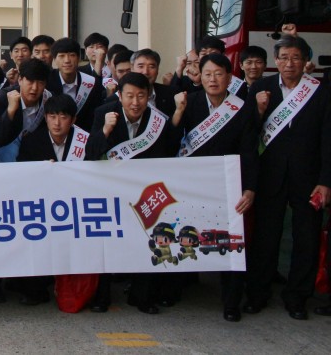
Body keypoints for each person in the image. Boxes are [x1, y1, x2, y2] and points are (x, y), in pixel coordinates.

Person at [243, 35, 331, 321]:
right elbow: (248, 133)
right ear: (276, 61)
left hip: (309, 177)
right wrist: (257, 110)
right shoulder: (262, 88)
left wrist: (325, 180)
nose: (289, 63)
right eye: (283, 57)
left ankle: (297, 296)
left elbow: (328, 139)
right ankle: (258, 293)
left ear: (306, 61)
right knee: (266, 236)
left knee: (305, 237)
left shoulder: (320, 91)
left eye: (296, 57)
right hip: (271, 176)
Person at [87, 72, 182, 314]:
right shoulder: (103, 113)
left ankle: (142, 297)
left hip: (144, 191)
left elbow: (170, 151)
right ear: (120, 95)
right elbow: (90, 154)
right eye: (130, 96)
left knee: (146, 240)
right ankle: (102, 296)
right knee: (105, 243)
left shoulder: (156, 120)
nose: (136, 102)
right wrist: (105, 130)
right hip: (110, 189)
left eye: (141, 96)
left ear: (149, 96)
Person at [177, 54, 258, 322]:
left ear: (229, 76)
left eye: (219, 74)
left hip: (228, 184)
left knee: (229, 240)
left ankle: (231, 301)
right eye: (207, 74)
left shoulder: (242, 108)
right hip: (193, 184)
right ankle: (175, 289)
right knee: (185, 235)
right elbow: (173, 142)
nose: (213, 79)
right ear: (200, 75)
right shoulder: (190, 103)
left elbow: (249, 152)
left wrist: (249, 188)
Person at [16, 94, 101, 305]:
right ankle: (35, 290)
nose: (57, 122)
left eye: (63, 117)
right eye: (52, 116)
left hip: (75, 208)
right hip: (42, 207)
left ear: (73, 120)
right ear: (45, 118)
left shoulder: (85, 141)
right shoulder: (31, 141)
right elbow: (20, 175)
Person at [0, 58, 51, 163]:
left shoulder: (48, 99)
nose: (34, 88)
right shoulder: (1, 99)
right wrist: (10, 111)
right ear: (20, 80)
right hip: (4, 158)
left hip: (33, 157)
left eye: (40, 82)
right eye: (30, 81)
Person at [46, 37, 104, 128]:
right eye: (61, 56)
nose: (67, 60)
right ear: (54, 59)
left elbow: (95, 116)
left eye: (72, 55)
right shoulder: (47, 81)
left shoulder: (91, 82)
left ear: (78, 58)